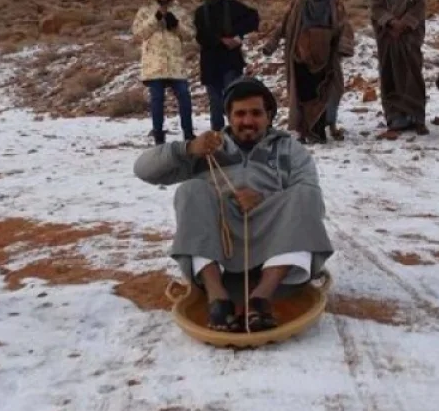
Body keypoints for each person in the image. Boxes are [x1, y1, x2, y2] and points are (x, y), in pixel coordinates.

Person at [133, 76, 334, 333]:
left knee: (306, 195)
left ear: (269, 116)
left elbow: (311, 195)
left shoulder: (288, 148)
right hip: (221, 244)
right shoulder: (209, 147)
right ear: (228, 116)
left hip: (275, 242)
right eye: (240, 114)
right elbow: (143, 170)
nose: (247, 121)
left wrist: (264, 198)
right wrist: (188, 148)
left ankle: (260, 298)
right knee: (191, 190)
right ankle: (218, 297)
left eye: (256, 113)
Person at [262, 0, 355, 144]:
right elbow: (284, 24)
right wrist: (271, 44)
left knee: (326, 93)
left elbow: (344, 25)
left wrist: (344, 47)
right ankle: (304, 132)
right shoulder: (300, 4)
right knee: (304, 96)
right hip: (301, 58)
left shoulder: (334, 3)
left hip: (326, 58)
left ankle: (323, 129)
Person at [130, 0, 197, 144]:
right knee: (157, 101)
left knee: (184, 97)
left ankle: (189, 135)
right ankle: (159, 137)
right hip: (155, 65)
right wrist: (156, 18)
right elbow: (138, 33)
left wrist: (176, 25)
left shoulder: (180, 11)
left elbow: (190, 34)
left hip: (176, 64)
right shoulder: (145, 11)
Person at [369, 0, 428, 136]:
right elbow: (376, 10)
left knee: (412, 76)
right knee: (390, 76)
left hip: (408, 40)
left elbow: (419, 8)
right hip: (388, 40)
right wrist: (391, 23)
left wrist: (404, 24)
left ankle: (416, 117)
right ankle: (395, 117)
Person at [193, 0, 260, 132]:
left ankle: (237, 131)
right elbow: (200, 36)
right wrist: (221, 40)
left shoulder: (232, 6)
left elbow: (253, 17)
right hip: (210, 63)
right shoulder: (200, 12)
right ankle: (217, 135)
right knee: (215, 102)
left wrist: (238, 35)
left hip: (231, 61)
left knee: (233, 99)